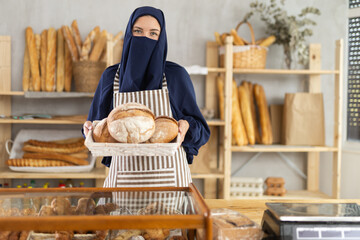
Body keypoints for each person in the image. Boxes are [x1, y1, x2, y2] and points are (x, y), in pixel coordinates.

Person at [83, 6, 210, 189]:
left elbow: (202, 131)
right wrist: (88, 129)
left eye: (153, 34)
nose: (145, 39)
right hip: (124, 185)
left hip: (170, 186)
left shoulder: (176, 76)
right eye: (138, 31)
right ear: (129, 34)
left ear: (161, 38)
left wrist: (186, 127)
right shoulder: (111, 77)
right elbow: (96, 128)